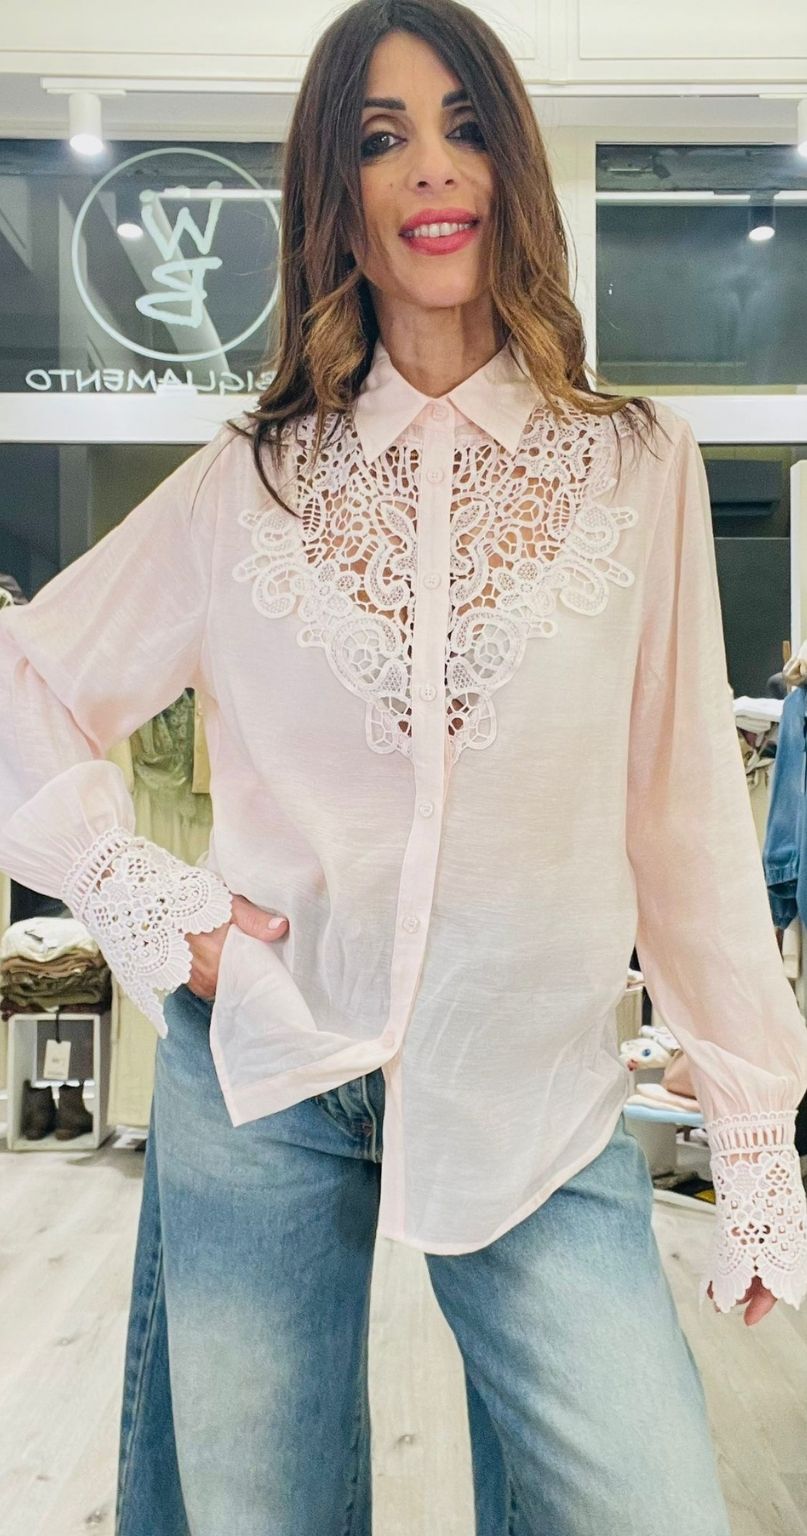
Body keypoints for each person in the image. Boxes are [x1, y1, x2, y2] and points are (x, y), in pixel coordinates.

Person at [1, 1, 806, 1531]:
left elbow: (685, 816)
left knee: (652, 1505)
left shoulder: (639, 467)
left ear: (512, 168)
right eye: (382, 137)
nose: (432, 167)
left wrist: (753, 1125)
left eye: (465, 125)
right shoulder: (248, 484)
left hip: (533, 1086)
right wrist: (151, 900)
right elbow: (21, 681)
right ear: (338, 192)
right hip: (270, 1064)